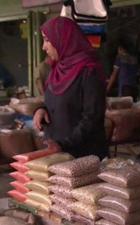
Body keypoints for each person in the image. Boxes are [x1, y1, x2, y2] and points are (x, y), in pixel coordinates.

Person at [33, 17, 108, 159]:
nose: (44, 47)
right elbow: (55, 101)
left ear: (63, 39)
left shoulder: (89, 71)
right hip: (57, 154)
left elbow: (92, 118)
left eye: (47, 40)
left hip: (83, 157)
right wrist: (41, 109)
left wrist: (63, 144)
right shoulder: (56, 69)